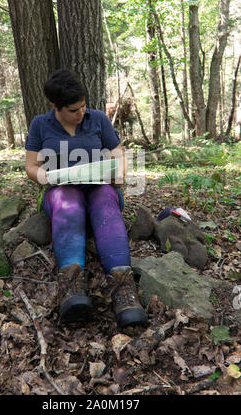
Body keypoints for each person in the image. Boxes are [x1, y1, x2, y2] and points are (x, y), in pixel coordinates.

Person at [25, 69, 148, 331]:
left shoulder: (98, 119)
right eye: (73, 110)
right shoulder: (40, 124)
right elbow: (31, 167)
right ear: (55, 106)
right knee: (68, 199)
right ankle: (72, 287)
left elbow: (118, 152)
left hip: (99, 187)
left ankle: (123, 290)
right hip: (60, 191)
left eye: (83, 106)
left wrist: (119, 174)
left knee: (104, 197)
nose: (80, 113)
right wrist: (45, 176)